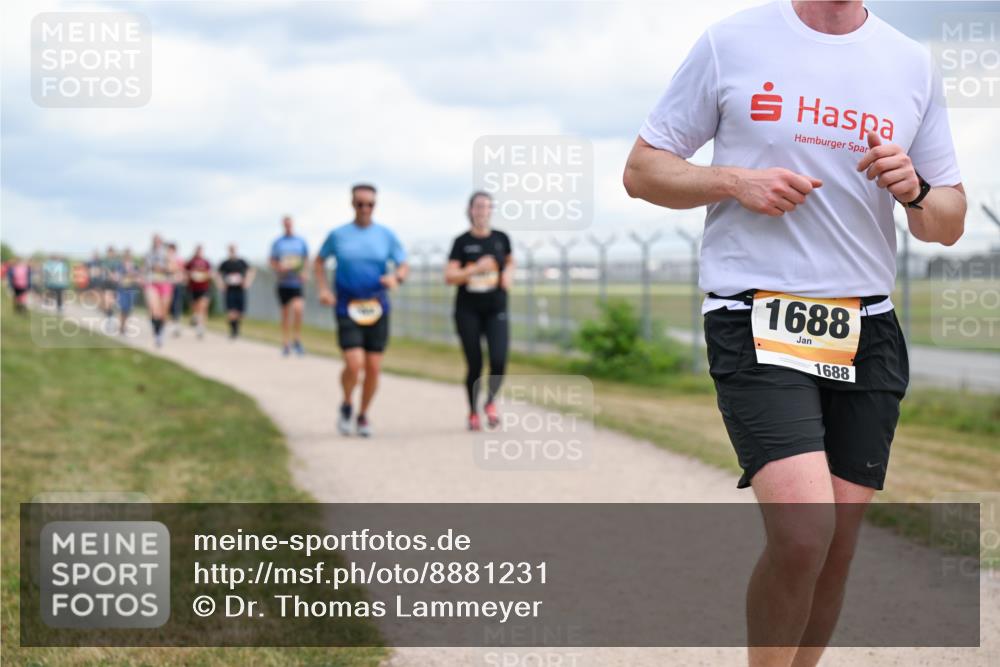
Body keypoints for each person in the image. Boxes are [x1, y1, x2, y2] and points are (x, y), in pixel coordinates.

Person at [623, 2, 966, 665]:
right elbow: (642, 170)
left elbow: (946, 221)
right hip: (755, 316)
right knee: (806, 533)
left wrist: (917, 189)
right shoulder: (732, 42)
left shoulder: (910, 62)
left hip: (866, 329)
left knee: (835, 551)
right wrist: (732, 180)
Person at [314, 183, 408, 437]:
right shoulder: (338, 235)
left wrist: (395, 278)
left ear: (375, 205)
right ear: (352, 204)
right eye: (360, 204)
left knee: (374, 367)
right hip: (347, 305)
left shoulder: (386, 236)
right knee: (354, 364)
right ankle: (346, 403)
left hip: (377, 305)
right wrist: (323, 289)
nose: (365, 208)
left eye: (370, 204)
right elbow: (319, 261)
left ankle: (363, 414)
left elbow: (403, 264)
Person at [445, 191, 514, 431]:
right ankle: (473, 411)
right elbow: (450, 276)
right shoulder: (461, 242)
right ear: (470, 210)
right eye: (477, 207)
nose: (482, 211)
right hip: (468, 310)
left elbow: (509, 261)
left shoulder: (501, 238)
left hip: (496, 308)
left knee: (498, 359)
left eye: (486, 207)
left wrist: (507, 275)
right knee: (474, 363)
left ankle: (491, 402)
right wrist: (475, 269)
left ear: (491, 210)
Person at [269, 216, 309, 356]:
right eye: (286, 224)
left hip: (296, 283)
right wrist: (279, 268)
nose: (288, 226)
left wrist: (304, 272)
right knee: (285, 314)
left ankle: (297, 339)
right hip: (283, 283)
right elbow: (272, 261)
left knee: (298, 309)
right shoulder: (278, 243)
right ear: (283, 225)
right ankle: (285, 343)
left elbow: (305, 259)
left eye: (290, 224)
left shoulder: (300, 241)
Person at [217, 244, 255, 339]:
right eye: (231, 249)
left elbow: (251, 270)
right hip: (230, 289)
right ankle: (233, 331)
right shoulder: (225, 263)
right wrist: (221, 284)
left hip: (240, 289)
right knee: (231, 310)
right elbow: (217, 274)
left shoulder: (242, 262)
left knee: (240, 311)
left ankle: (237, 328)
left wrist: (247, 281)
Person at [144, 235, 174, 347]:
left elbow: (173, 268)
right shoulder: (148, 254)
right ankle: (157, 334)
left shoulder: (167, 254)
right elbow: (144, 269)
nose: (157, 243)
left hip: (165, 283)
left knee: (163, 312)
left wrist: (164, 267)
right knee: (154, 310)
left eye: (159, 241)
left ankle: (161, 331)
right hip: (152, 283)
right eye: (155, 241)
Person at [185, 245, 213, 339]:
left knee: (203, 307)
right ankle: (195, 318)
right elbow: (185, 272)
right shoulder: (190, 262)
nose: (199, 253)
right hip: (193, 288)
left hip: (204, 288)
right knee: (195, 309)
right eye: (198, 251)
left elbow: (210, 273)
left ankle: (201, 328)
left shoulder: (206, 262)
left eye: (200, 251)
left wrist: (203, 276)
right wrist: (191, 275)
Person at [114, 248, 140, 335]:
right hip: (122, 290)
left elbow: (137, 277)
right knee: (122, 309)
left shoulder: (135, 266)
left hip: (131, 290)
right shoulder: (119, 266)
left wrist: (133, 276)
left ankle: (124, 326)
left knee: (128, 310)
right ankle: (122, 327)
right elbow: (117, 277)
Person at [166, 242, 186, 337]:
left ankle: (176, 325)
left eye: (172, 249)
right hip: (166, 285)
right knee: (167, 305)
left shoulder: (179, 259)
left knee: (176, 305)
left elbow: (181, 271)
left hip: (176, 284)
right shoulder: (164, 259)